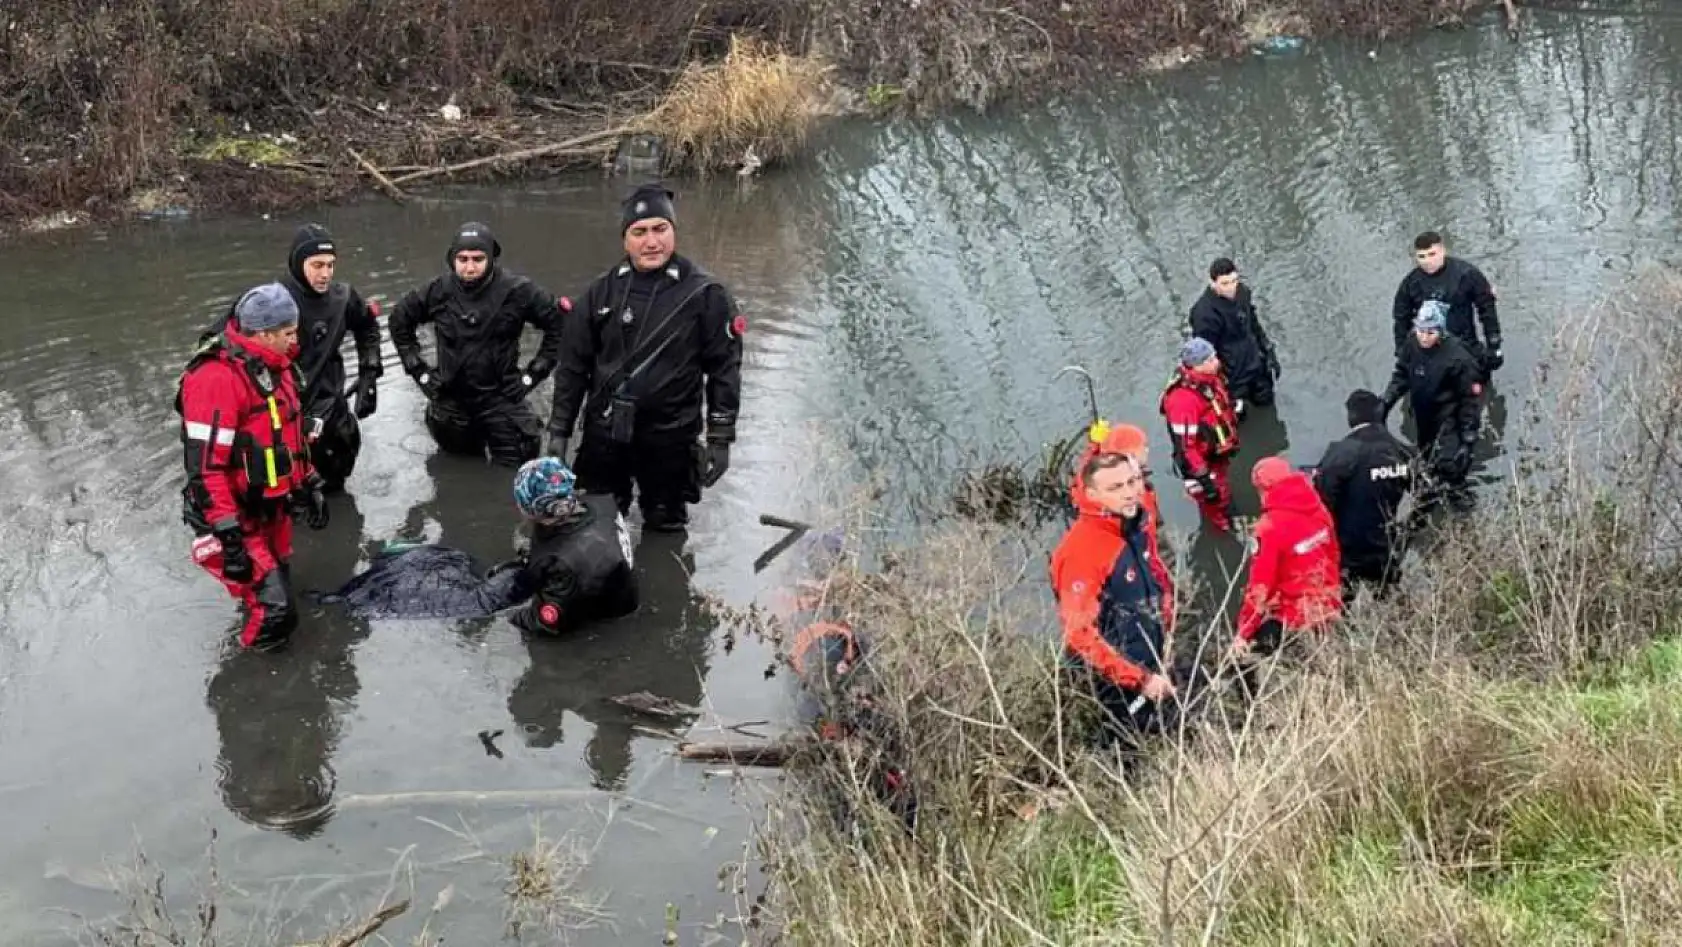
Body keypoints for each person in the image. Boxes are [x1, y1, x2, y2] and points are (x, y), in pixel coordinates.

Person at [547, 184, 744, 533]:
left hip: (671, 438)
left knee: (666, 528)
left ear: (673, 231)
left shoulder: (706, 294)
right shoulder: (599, 292)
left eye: (660, 229)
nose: (652, 242)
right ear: (625, 239)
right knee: (596, 526)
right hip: (605, 435)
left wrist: (720, 437)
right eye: (639, 232)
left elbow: (724, 370)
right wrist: (559, 431)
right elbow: (573, 369)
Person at [177, 283, 329, 651]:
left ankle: (269, 652)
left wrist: (310, 483)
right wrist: (229, 539)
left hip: (269, 505)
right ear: (262, 334)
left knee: (279, 587)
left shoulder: (277, 367)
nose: (296, 342)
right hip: (233, 515)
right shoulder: (216, 379)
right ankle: (253, 687)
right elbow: (206, 470)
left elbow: (289, 434)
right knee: (277, 611)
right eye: (288, 333)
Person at [389, 221, 566, 467]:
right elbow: (399, 320)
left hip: (502, 397)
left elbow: (559, 324)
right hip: (451, 398)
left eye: (478, 259)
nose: (470, 268)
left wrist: (532, 376)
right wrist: (420, 373)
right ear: (452, 259)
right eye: (463, 259)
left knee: (519, 467)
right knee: (455, 473)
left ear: (491, 258)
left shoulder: (518, 291)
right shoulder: (437, 291)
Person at [1051, 451, 1177, 749]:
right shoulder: (1081, 552)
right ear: (1092, 494)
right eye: (1116, 488)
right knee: (1123, 744)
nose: (1129, 493)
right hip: (1115, 676)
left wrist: (1168, 623)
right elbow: (1079, 635)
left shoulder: (1134, 523)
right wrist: (1139, 679)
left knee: (1160, 728)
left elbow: (1155, 574)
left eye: (1133, 481)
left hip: (1151, 651)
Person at [1230, 457, 1342, 679]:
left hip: (1296, 616)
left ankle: (1250, 703)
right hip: (1327, 603)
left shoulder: (1268, 528)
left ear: (1262, 490)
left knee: (1241, 660)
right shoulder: (1318, 507)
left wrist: (1243, 633)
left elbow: (1259, 587)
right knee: (1318, 665)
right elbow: (1334, 554)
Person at [508, 456, 640, 635]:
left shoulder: (565, 566)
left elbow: (546, 623)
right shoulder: (601, 502)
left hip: (603, 614)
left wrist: (510, 617)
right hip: (611, 581)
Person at [1313, 390, 1419, 596]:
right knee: (1388, 601)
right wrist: (1407, 532)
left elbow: (1322, 500)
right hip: (1385, 545)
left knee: (1342, 606)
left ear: (1351, 418)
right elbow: (1427, 494)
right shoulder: (1403, 452)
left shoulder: (1340, 452)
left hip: (1348, 549)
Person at [1382, 301, 1484, 504]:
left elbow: (1469, 401)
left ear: (1440, 331)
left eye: (1430, 332)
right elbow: (1401, 373)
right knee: (1427, 459)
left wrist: (1468, 437)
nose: (1424, 337)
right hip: (1422, 415)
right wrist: (1387, 401)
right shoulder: (1412, 344)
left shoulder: (1459, 358)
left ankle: (1459, 501)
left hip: (1448, 418)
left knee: (1451, 465)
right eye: (1421, 330)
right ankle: (1431, 494)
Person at [1391, 231, 1502, 378]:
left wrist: (1494, 346)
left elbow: (1487, 310)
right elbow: (1401, 319)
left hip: (1464, 346)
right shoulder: (1411, 283)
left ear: (1443, 250)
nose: (1427, 261)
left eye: (1432, 254)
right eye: (1421, 256)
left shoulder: (1467, 274)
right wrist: (1402, 351)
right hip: (1428, 350)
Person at [1160, 337, 1241, 532]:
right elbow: (1186, 447)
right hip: (1202, 464)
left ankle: (1228, 513)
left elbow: (1219, 406)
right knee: (1215, 503)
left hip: (1216, 453)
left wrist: (1234, 412)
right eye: (1211, 359)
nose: (1217, 361)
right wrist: (1204, 480)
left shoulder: (1209, 381)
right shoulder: (1182, 400)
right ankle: (1224, 529)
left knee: (1223, 493)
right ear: (1198, 365)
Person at [1189, 257, 1281, 415]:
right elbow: (1205, 354)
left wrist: (1267, 350)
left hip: (1256, 363)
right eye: (1225, 283)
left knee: (1267, 404)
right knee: (1237, 417)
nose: (1231, 288)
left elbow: (1253, 324)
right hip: (1232, 377)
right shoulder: (1204, 314)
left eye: (1234, 281)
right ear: (1213, 283)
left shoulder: (1242, 293)